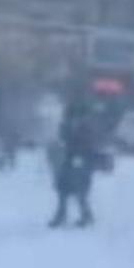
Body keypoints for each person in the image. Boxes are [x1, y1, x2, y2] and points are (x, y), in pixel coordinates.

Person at [48, 98, 100, 228]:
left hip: (82, 159)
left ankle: (85, 215)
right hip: (69, 158)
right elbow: (62, 139)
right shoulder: (66, 125)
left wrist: (82, 153)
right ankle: (62, 214)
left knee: (80, 189)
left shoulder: (87, 127)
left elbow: (89, 144)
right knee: (63, 188)